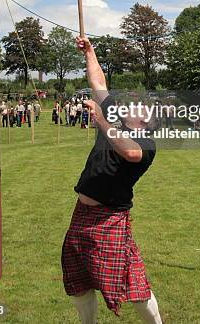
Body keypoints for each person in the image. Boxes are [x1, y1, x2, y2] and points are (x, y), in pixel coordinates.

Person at [61, 36, 162, 324]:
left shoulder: (146, 143)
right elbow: (99, 84)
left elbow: (129, 152)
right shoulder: (116, 119)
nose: (134, 105)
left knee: (134, 285)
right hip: (82, 214)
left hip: (110, 218)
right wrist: (90, 53)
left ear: (146, 121)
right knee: (79, 280)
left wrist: (101, 122)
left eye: (141, 107)